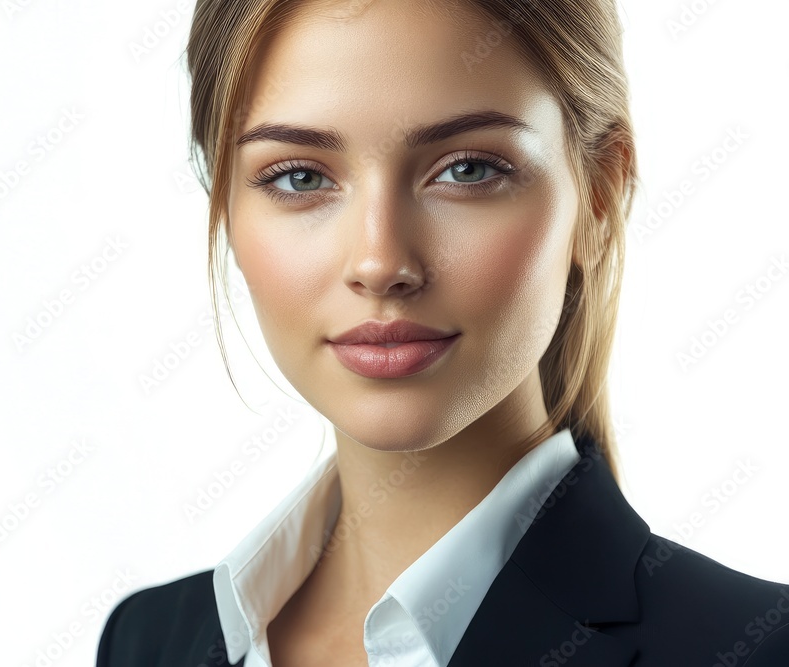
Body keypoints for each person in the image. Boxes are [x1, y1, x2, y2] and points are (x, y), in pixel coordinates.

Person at [97, 0, 789, 664]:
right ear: (223, 206)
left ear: (598, 195)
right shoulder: (146, 642)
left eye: (467, 170)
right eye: (300, 177)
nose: (380, 263)